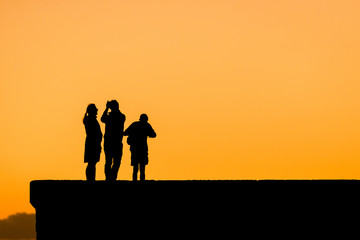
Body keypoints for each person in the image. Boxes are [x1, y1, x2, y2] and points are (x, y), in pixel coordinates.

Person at [124, 114, 156, 181]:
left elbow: (125, 133)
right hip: (142, 148)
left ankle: (135, 181)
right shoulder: (147, 125)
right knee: (142, 168)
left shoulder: (135, 124)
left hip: (135, 148)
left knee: (136, 168)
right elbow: (153, 134)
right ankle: (141, 181)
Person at [101, 100, 126, 181]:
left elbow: (102, 119)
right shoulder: (121, 116)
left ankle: (109, 177)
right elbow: (102, 119)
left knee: (110, 161)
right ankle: (111, 177)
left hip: (111, 141)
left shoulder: (113, 116)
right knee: (115, 161)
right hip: (116, 142)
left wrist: (106, 108)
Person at [83, 104, 103, 181]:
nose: (97, 110)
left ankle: (91, 179)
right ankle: (91, 179)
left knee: (92, 163)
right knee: (92, 163)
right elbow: (95, 133)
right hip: (93, 143)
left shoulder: (90, 119)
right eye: (95, 109)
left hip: (92, 143)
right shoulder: (91, 120)